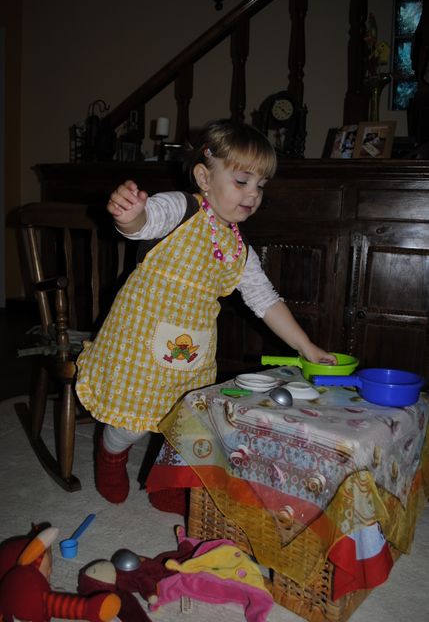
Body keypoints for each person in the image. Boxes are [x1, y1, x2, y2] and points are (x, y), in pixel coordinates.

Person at [75, 119, 336, 504]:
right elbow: (145, 222)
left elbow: (265, 300)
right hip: (138, 341)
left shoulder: (239, 249)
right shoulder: (181, 209)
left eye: (261, 185)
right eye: (242, 181)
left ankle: (167, 480)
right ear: (203, 177)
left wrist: (305, 346)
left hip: (191, 351)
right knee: (130, 421)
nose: (253, 194)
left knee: (185, 421)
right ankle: (111, 454)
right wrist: (130, 215)